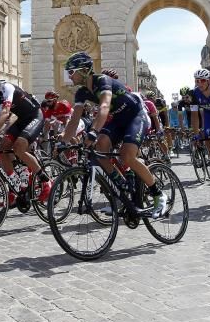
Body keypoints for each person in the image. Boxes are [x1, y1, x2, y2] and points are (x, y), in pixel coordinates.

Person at [60, 52, 167, 216]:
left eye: (71, 72)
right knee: (101, 145)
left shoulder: (102, 80)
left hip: (136, 115)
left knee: (127, 156)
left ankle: (158, 194)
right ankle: (121, 185)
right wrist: (63, 142)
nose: (69, 76)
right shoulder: (81, 92)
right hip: (118, 118)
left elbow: (104, 107)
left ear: (83, 70)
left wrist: (93, 131)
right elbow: (74, 120)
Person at [0, 66, 51, 206]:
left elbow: (6, 112)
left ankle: (46, 181)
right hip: (21, 120)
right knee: (2, 150)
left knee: (19, 147)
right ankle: (16, 186)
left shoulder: (6, 87)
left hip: (35, 116)